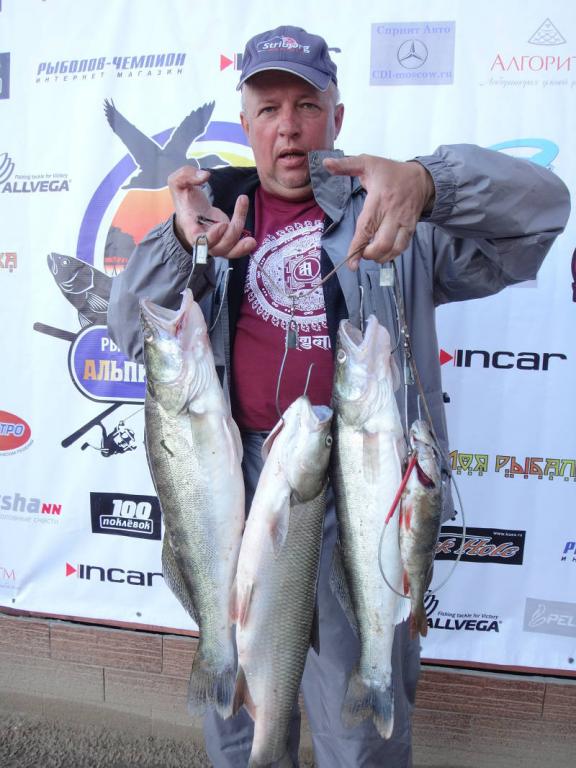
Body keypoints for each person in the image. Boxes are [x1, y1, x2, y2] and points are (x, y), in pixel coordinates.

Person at [107, 25, 570, 768]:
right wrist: (173, 242)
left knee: (356, 725)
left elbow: (540, 215)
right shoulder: (215, 214)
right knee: (239, 691)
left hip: (361, 484)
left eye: (306, 105)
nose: (288, 127)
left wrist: (431, 183)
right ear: (246, 123)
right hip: (238, 479)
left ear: (338, 117)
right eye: (268, 108)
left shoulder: (394, 215)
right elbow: (134, 333)